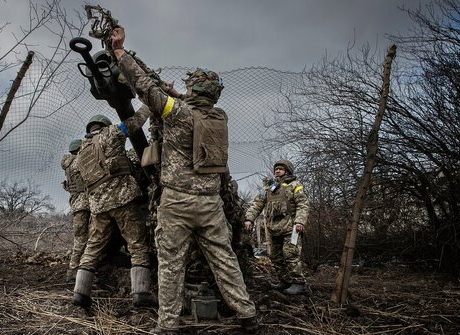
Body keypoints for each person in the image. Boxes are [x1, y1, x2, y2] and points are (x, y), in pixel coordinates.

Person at [111, 27, 258, 334]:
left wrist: (120, 52)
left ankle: (167, 326)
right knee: (224, 260)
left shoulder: (176, 113)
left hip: (176, 202)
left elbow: (143, 87)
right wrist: (178, 95)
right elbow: (188, 107)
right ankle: (247, 315)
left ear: (193, 91)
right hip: (210, 202)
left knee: (171, 265)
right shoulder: (220, 118)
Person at [72, 114, 157, 308]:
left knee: (92, 247)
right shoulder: (110, 134)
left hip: (98, 207)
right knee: (137, 244)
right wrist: (149, 102)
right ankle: (141, 293)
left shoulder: (81, 153)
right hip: (122, 201)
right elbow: (135, 122)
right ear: (104, 126)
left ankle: (80, 293)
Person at [244, 160, 310, 295]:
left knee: (290, 254)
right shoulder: (270, 187)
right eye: (276, 169)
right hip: (274, 229)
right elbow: (257, 204)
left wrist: (300, 222)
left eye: (281, 169)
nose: (277, 171)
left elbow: (303, 204)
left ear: (287, 171)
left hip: (291, 229)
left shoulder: (295, 185)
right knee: (275, 256)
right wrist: (249, 218)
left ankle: (299, 283)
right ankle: (285, 281)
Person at [61, 139, 91, 283]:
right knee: (83, 240)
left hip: (76, 206)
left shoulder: (68, 164)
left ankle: (74, 271)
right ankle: (74, 272)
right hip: (85, 205)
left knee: (80, 239)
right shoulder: (79, 162)